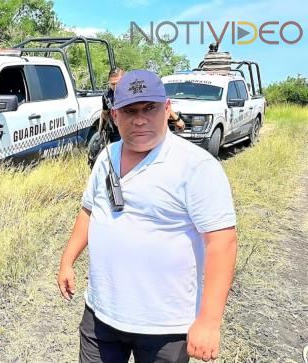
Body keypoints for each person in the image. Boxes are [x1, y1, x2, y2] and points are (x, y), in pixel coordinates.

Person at [57, 70, 237, 362]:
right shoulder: (107, 157)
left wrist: (209, 321)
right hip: (101, 314)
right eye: (129, 111)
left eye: (149, 108)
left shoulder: (196, 166)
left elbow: (222, 242)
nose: (139, 119)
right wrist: (67, 261)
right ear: (115, 115)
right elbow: (89, 210)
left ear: (166, 109)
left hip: (166, 325)